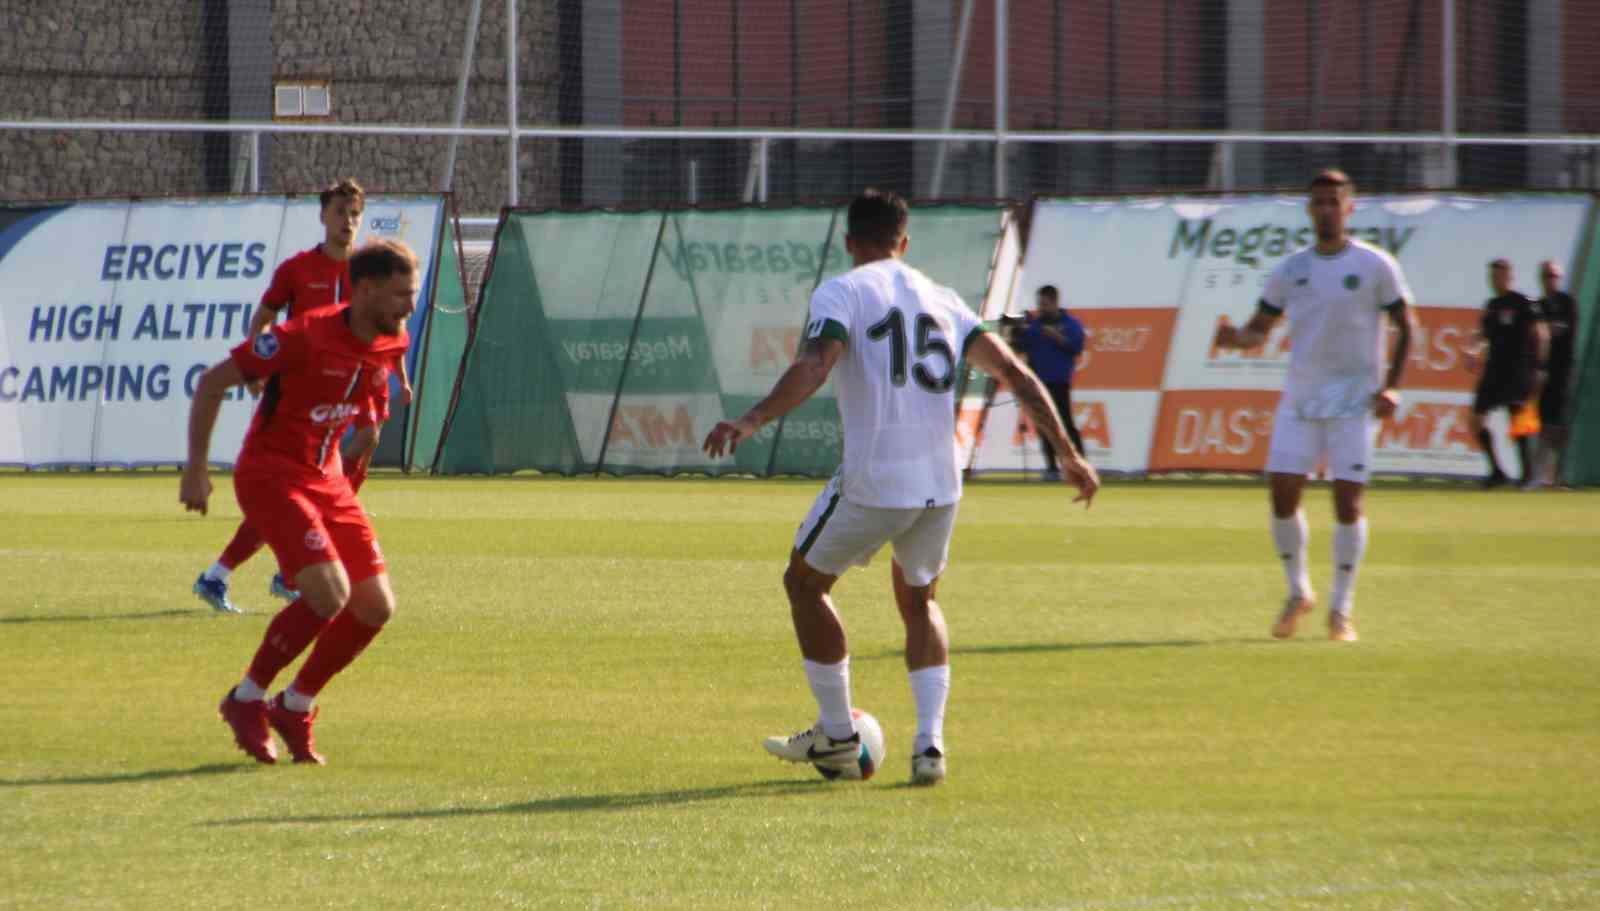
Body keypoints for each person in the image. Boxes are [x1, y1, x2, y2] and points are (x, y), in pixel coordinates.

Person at [701, 190, 1099, 785]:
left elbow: (815, 364)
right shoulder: (943, 299)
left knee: (804, 583)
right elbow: (1016, 374)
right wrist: (1068, 452)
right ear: (903, 241)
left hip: (875, 480)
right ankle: (930, 747)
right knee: (920, 601)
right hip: (941, 483)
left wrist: (750, 419)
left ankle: (837, 734)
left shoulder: (843, 291)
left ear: (849, 242)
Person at [181, 239, 416, 764]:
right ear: (366, 289)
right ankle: (246, 699)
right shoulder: (302, 336)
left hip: (326, 478)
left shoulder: (391, 340)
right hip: (272, 474)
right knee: (327, 595)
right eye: (401, 294)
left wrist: (364, 438)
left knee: (376, 606)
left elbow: (368, 401)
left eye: (413, 294)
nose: (410, 306)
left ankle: (295, 705)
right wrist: (196, 469)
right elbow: (212, 384)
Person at [1213, 168, 1418, 643]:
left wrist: (1392, 386)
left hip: (1354, 401)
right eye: (1319, 202)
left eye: (1334, 202)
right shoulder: (1290, 269)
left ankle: (1341, 610)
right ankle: (1297, 591)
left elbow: (1408, 325)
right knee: (1281, 493)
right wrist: (1233, 339)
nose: (1326, 210)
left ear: (1349, 207)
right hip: (1302, 398)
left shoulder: (1374, 265)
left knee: (1347, 500)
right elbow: (1258, 330)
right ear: (1309, 209)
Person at [192, 178, 411, 613]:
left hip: (356, 380)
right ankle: (237, 570)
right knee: (291, 484)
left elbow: (391, 329)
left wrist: (399, 377)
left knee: (366, 440)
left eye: (354, 215)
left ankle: (297, 553)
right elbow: (266, 315)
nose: (347, 222)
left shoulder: (368, 274)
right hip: (302, 385)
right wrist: (258, 367)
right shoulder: (297, 269)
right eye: (339, 213)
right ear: (323, 216)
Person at [1465, 259, 1549, 489]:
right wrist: (1472, 351)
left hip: (1517, 370)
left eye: (1499, 276)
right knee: (1475, 421)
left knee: (1517, 421)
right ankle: (1497, 471)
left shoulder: (1523, 302)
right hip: (1494, 369)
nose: (1495, 281)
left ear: (1510, 277)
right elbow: (1482, 333)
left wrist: (1539, 366)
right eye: (1492, 277)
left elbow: (1541, 334)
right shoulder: (1492, 304)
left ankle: (1527, 475)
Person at [1019, 285, 1087, 479]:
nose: (1042, 308)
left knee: (1065, 423)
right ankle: (1051, 467)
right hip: (1039, 383)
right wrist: (1017, 332)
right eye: (1040, 304)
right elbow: (1022, 346)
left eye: (1045, 304)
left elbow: (1077, 346)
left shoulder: (1070, 323)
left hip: (1059, 382)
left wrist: (1057, 337)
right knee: (1044, 424)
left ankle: (1080, 463)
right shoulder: (1035, 326)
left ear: (1055, 302)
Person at [1534, 260, 1578, 488]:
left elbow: (1560, 330)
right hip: (1543, 373)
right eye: (1546, 276)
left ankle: (1558, 476)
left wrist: (1545, 330)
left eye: (1554, 276)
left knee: (1559, 426)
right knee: (1543, 423)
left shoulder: (1567, 303)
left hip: (1562, 371)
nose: (1550, 280)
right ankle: (1540, 476)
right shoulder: (1538, 305)